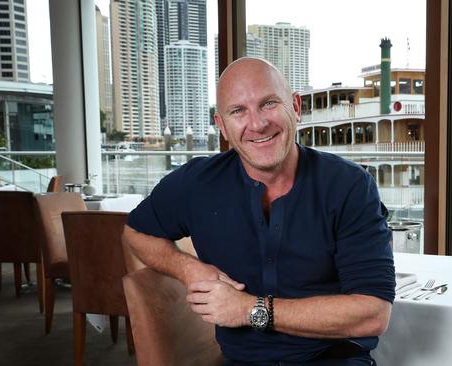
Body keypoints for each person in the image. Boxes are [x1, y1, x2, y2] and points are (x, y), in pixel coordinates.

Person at [123, 57, 395, 365]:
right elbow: (136, 233)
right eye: (238, 111)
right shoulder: (197, 183)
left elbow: (373, 313)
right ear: (222, 125)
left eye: (268, 104)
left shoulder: (349, 185)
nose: (257, 123)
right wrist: (189, 269)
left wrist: (248, 308)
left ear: (295, 107)